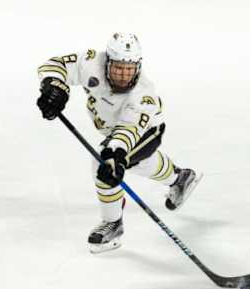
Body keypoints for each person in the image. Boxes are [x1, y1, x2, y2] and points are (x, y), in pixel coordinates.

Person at [36, 33, 202, 253]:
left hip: (146, 131)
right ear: (108, 63)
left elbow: (128, 130)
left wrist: (116, 156)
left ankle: (113, 223)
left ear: (138, 66)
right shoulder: (92, 61)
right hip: (115, 129)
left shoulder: (142, 96)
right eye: (118, 68)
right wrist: (54, 87)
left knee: (103, 162)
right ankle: (180, 178)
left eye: (129, 69)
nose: (124, 75)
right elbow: (56, 65)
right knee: (141, 163)